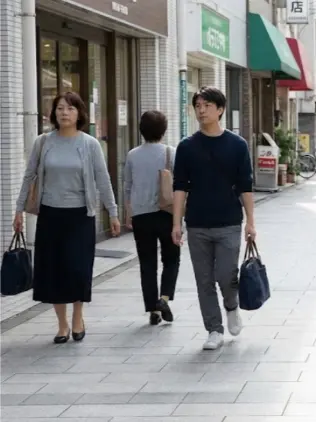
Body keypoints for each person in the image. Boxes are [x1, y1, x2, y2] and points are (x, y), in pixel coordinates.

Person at [13, 91, 120, 344]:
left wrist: (113, 212)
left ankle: (77, 317)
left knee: (78, 268)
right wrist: (18, 210)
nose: (64, 113)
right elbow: (29, 177)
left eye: (70, 109)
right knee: (53, 269)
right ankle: (61, 324)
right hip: (50, 215)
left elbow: (103, 180)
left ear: (80, 113)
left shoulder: (89, 144)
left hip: (80, 216)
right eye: (60, 108)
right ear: (54, 113)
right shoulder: (43, 142)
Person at [172, 86, 256, 350]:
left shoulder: (237, 145)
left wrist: (251, 222)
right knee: (203, 279)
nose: (201, 109)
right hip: (197, 223)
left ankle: (231, 306)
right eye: (198, 105)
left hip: (229, 221)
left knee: (225, 275)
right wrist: (176, 223)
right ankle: (214, 329)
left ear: (220, 110)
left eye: (207, 105)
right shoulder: (186, 147)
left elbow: (245, 186)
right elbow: (179, 187)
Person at [124, 110, 181, 326]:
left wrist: (129, 213)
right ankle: (164, 299)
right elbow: (181, 186)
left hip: (141, 216)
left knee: (147, 264)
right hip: (167, 214)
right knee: (172, 258)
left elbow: (127, 186)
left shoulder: (132, 155)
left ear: (141, 130)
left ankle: (153, 310)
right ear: (164, 130)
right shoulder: (171, 153)